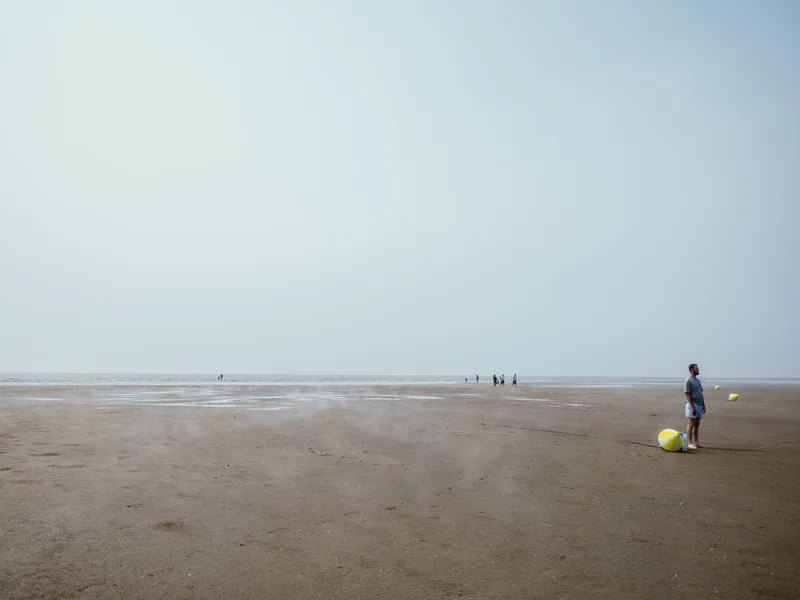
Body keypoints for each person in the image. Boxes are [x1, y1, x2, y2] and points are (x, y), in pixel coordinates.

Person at [684, 363, 706, 450]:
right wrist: (692, 407)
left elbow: (701, 393)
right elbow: (687, 394)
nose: (698, 370)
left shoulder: (698, 380)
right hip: (691, 404)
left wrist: (703, 405)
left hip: (699, 404)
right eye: (697, 368)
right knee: (691, 423)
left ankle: (696, 442)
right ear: (692, 370)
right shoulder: (688, 380)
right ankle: (689, 443)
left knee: (697, 424)